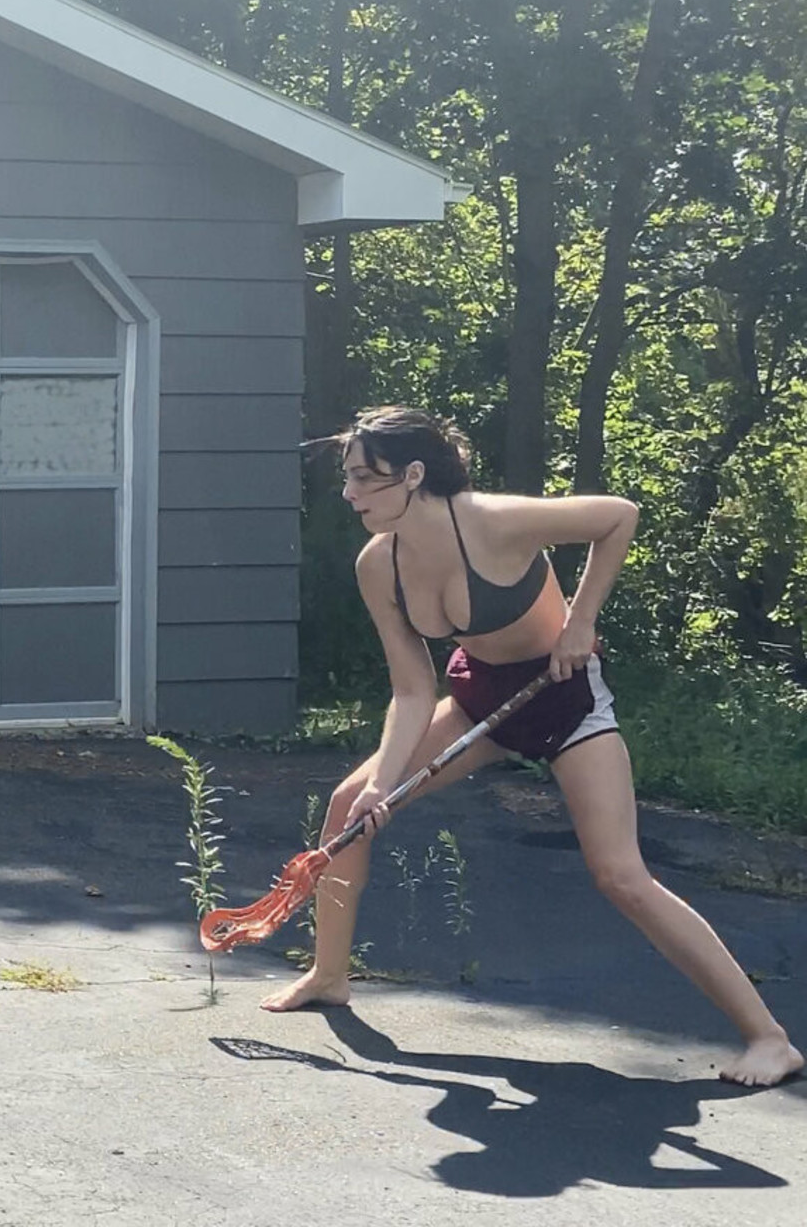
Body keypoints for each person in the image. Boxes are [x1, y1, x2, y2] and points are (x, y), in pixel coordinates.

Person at [261, 406, 803, 1089]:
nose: (349, 493)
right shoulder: (380, 565)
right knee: (349, 807)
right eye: (348, 478)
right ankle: (329, 974)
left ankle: (769, 1039)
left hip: (566, 702)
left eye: (365, 478)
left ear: (414, 474)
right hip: (481, 701)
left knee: (621, 876)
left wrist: (580, 622)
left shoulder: (493, 521)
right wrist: (381, 783)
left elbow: (618, 516)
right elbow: (411, 689)